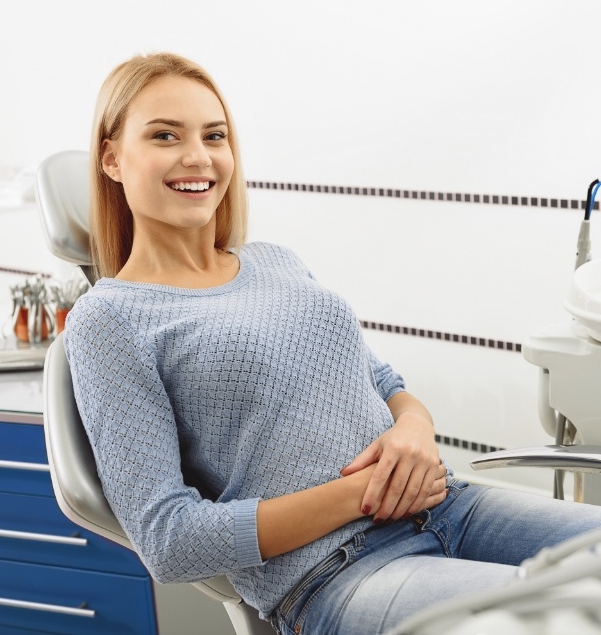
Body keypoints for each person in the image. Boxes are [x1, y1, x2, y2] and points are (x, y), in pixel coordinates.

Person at [64, 52, 601, 635]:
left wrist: (415, 433)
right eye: (165, 135)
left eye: (214, 135)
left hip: (450, 505)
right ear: (112, 157)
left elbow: (387, 387)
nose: (198, 156)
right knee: (564, 619)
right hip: (337, 571)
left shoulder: (275, 262)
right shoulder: (109, 320)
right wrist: (363, 494)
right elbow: (169, 541)